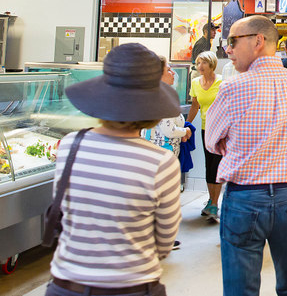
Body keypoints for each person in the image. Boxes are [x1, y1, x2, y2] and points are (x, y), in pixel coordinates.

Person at [46, 43, 181, 296]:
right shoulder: (161, 162)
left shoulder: (69, 146)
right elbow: (163, 243)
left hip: (65, 284)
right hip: (131, 286)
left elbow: (63, 212)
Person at [205, 15, 287, 296]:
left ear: (258, 41)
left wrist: (238, 146)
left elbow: (212, 141)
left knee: (241, 289)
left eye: (232, 42)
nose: (227, 49)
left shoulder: (232, 87)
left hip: (245, 198)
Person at [188, 50, 223, 221]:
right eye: (197, 63)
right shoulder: (195, 83)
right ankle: (211, 200)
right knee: (209, 165)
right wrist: (187, 125)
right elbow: (195, 106)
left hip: (220, 130)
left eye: (203, 62)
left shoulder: (222, 82)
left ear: (211, 64)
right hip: (205, 128)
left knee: (217, 165)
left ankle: (215, 204)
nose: (199, 66)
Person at [142, 57, 192, 158]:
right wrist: (186, 131)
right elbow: (170, 130)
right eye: (169, 70)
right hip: (161, 156)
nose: (173, 73)